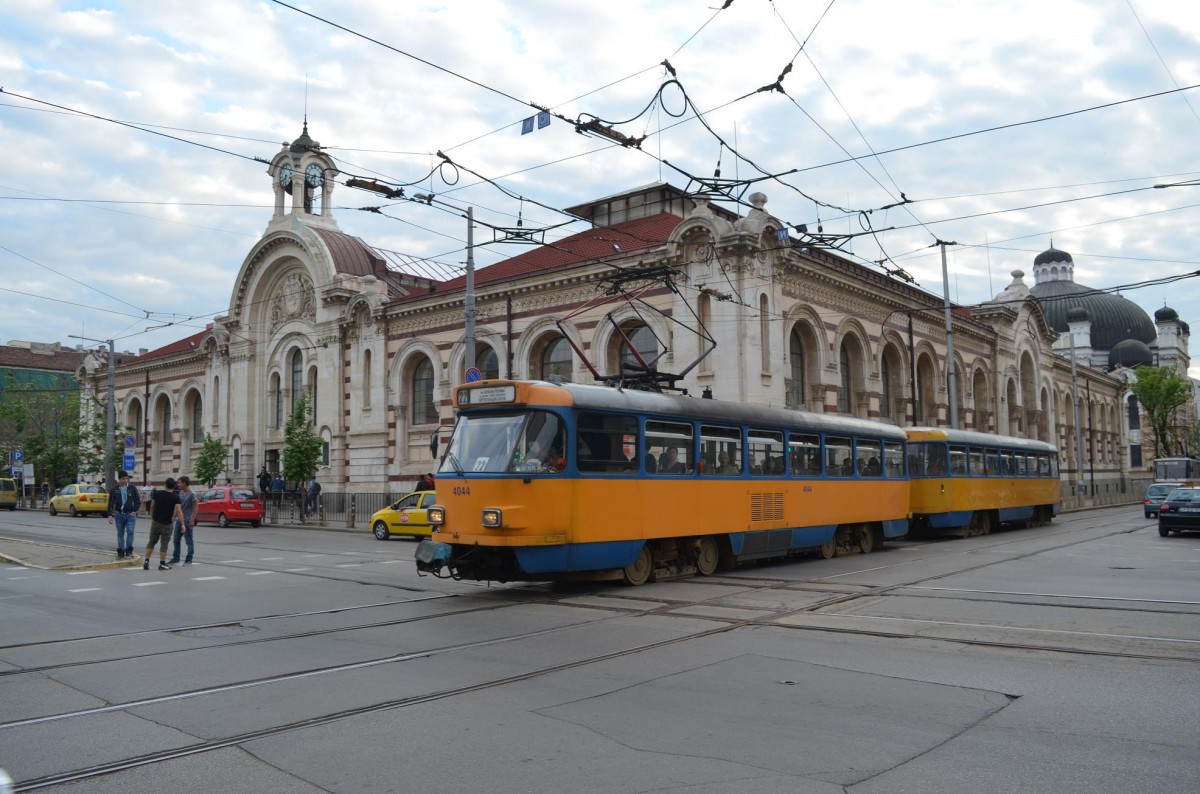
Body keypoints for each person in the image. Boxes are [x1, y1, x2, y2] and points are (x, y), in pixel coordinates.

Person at [144, 478, 184, 571]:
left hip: (156, 522)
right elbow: (178, 511)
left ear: (165, 484)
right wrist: (182, 524)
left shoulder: (157, 494)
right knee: (164, 544)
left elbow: (152, 506)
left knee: (152, 542)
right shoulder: (175, 497)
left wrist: (153, 516)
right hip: (167, 524)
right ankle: (162, 563)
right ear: (174, 486)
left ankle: (146, 561)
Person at [106, 471, 141, 559]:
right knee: (120, 533)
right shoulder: (114, 490)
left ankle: (129, 550)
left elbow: (137, 500)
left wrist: (134, 511)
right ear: (119, 479)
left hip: (130, 514)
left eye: (126, 478)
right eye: (123, 479)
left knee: (130, 532)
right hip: (119, 514)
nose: (125, 480)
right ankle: (121, 552)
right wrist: (110, 515)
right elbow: (110, 503)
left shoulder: (132, 488)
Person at [168, 476, 198, 566]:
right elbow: (178, 507)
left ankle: (189, 559)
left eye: (179, 483)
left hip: (188, 520)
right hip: (179, 520)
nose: (178, 484)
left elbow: (196, 507)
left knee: (188, 540)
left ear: (184, 483)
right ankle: (176, 557)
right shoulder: (180, 493)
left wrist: (192, 520)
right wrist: (173, 517)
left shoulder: (192, 494)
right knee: (176, 539)